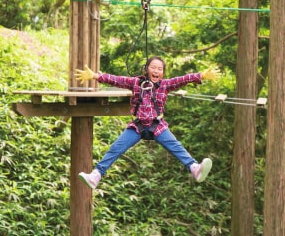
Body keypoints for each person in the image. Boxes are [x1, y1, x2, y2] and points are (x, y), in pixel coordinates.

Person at [75, 56, 218, 189]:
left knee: (176, 146)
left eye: (159, 69)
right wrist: (95, 76)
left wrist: (201, 76)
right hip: (138, 126)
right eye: (153, 67)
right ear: (146, 69)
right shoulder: (136, 83)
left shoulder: (165, 85)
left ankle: (194, 168)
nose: (156, 71)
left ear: (162, 73)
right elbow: (116, 80)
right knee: (116, 148)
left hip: (157, 126)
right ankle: (96, 175)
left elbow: (182, 79)